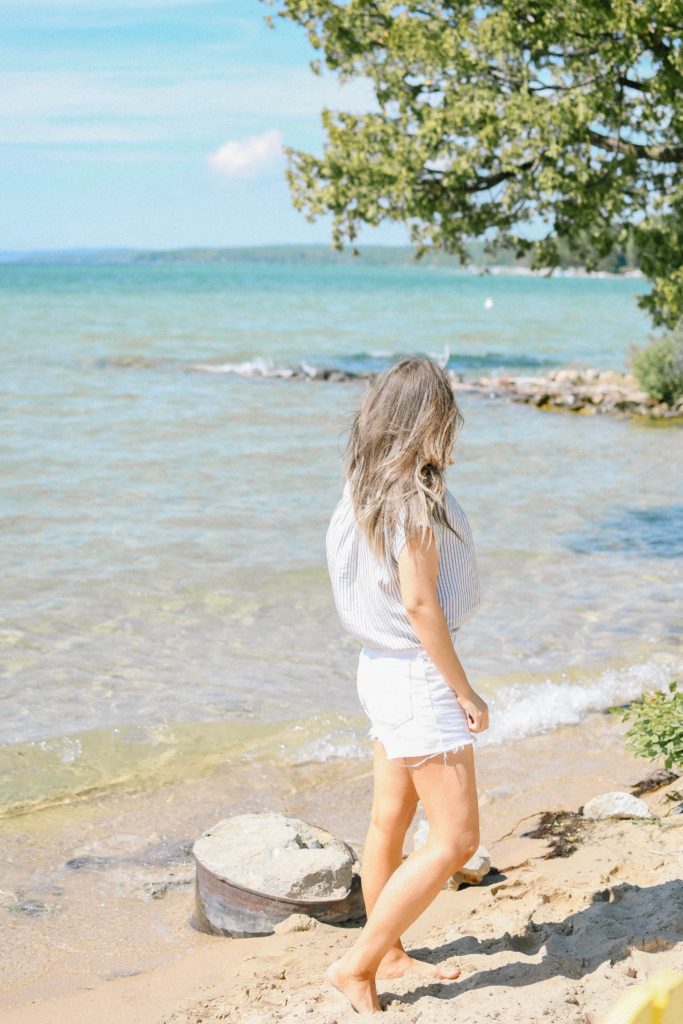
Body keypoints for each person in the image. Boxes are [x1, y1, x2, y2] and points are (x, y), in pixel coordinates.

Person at [324, 355, 490, 1014]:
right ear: (429, 420)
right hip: (415, 675)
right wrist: (466, 691)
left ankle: (387, 952)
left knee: (387, 818)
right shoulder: (415, 499)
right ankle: (357, 964)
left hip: (377, 667)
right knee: (457, 839)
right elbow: (422, 608)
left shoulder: (361, 484)